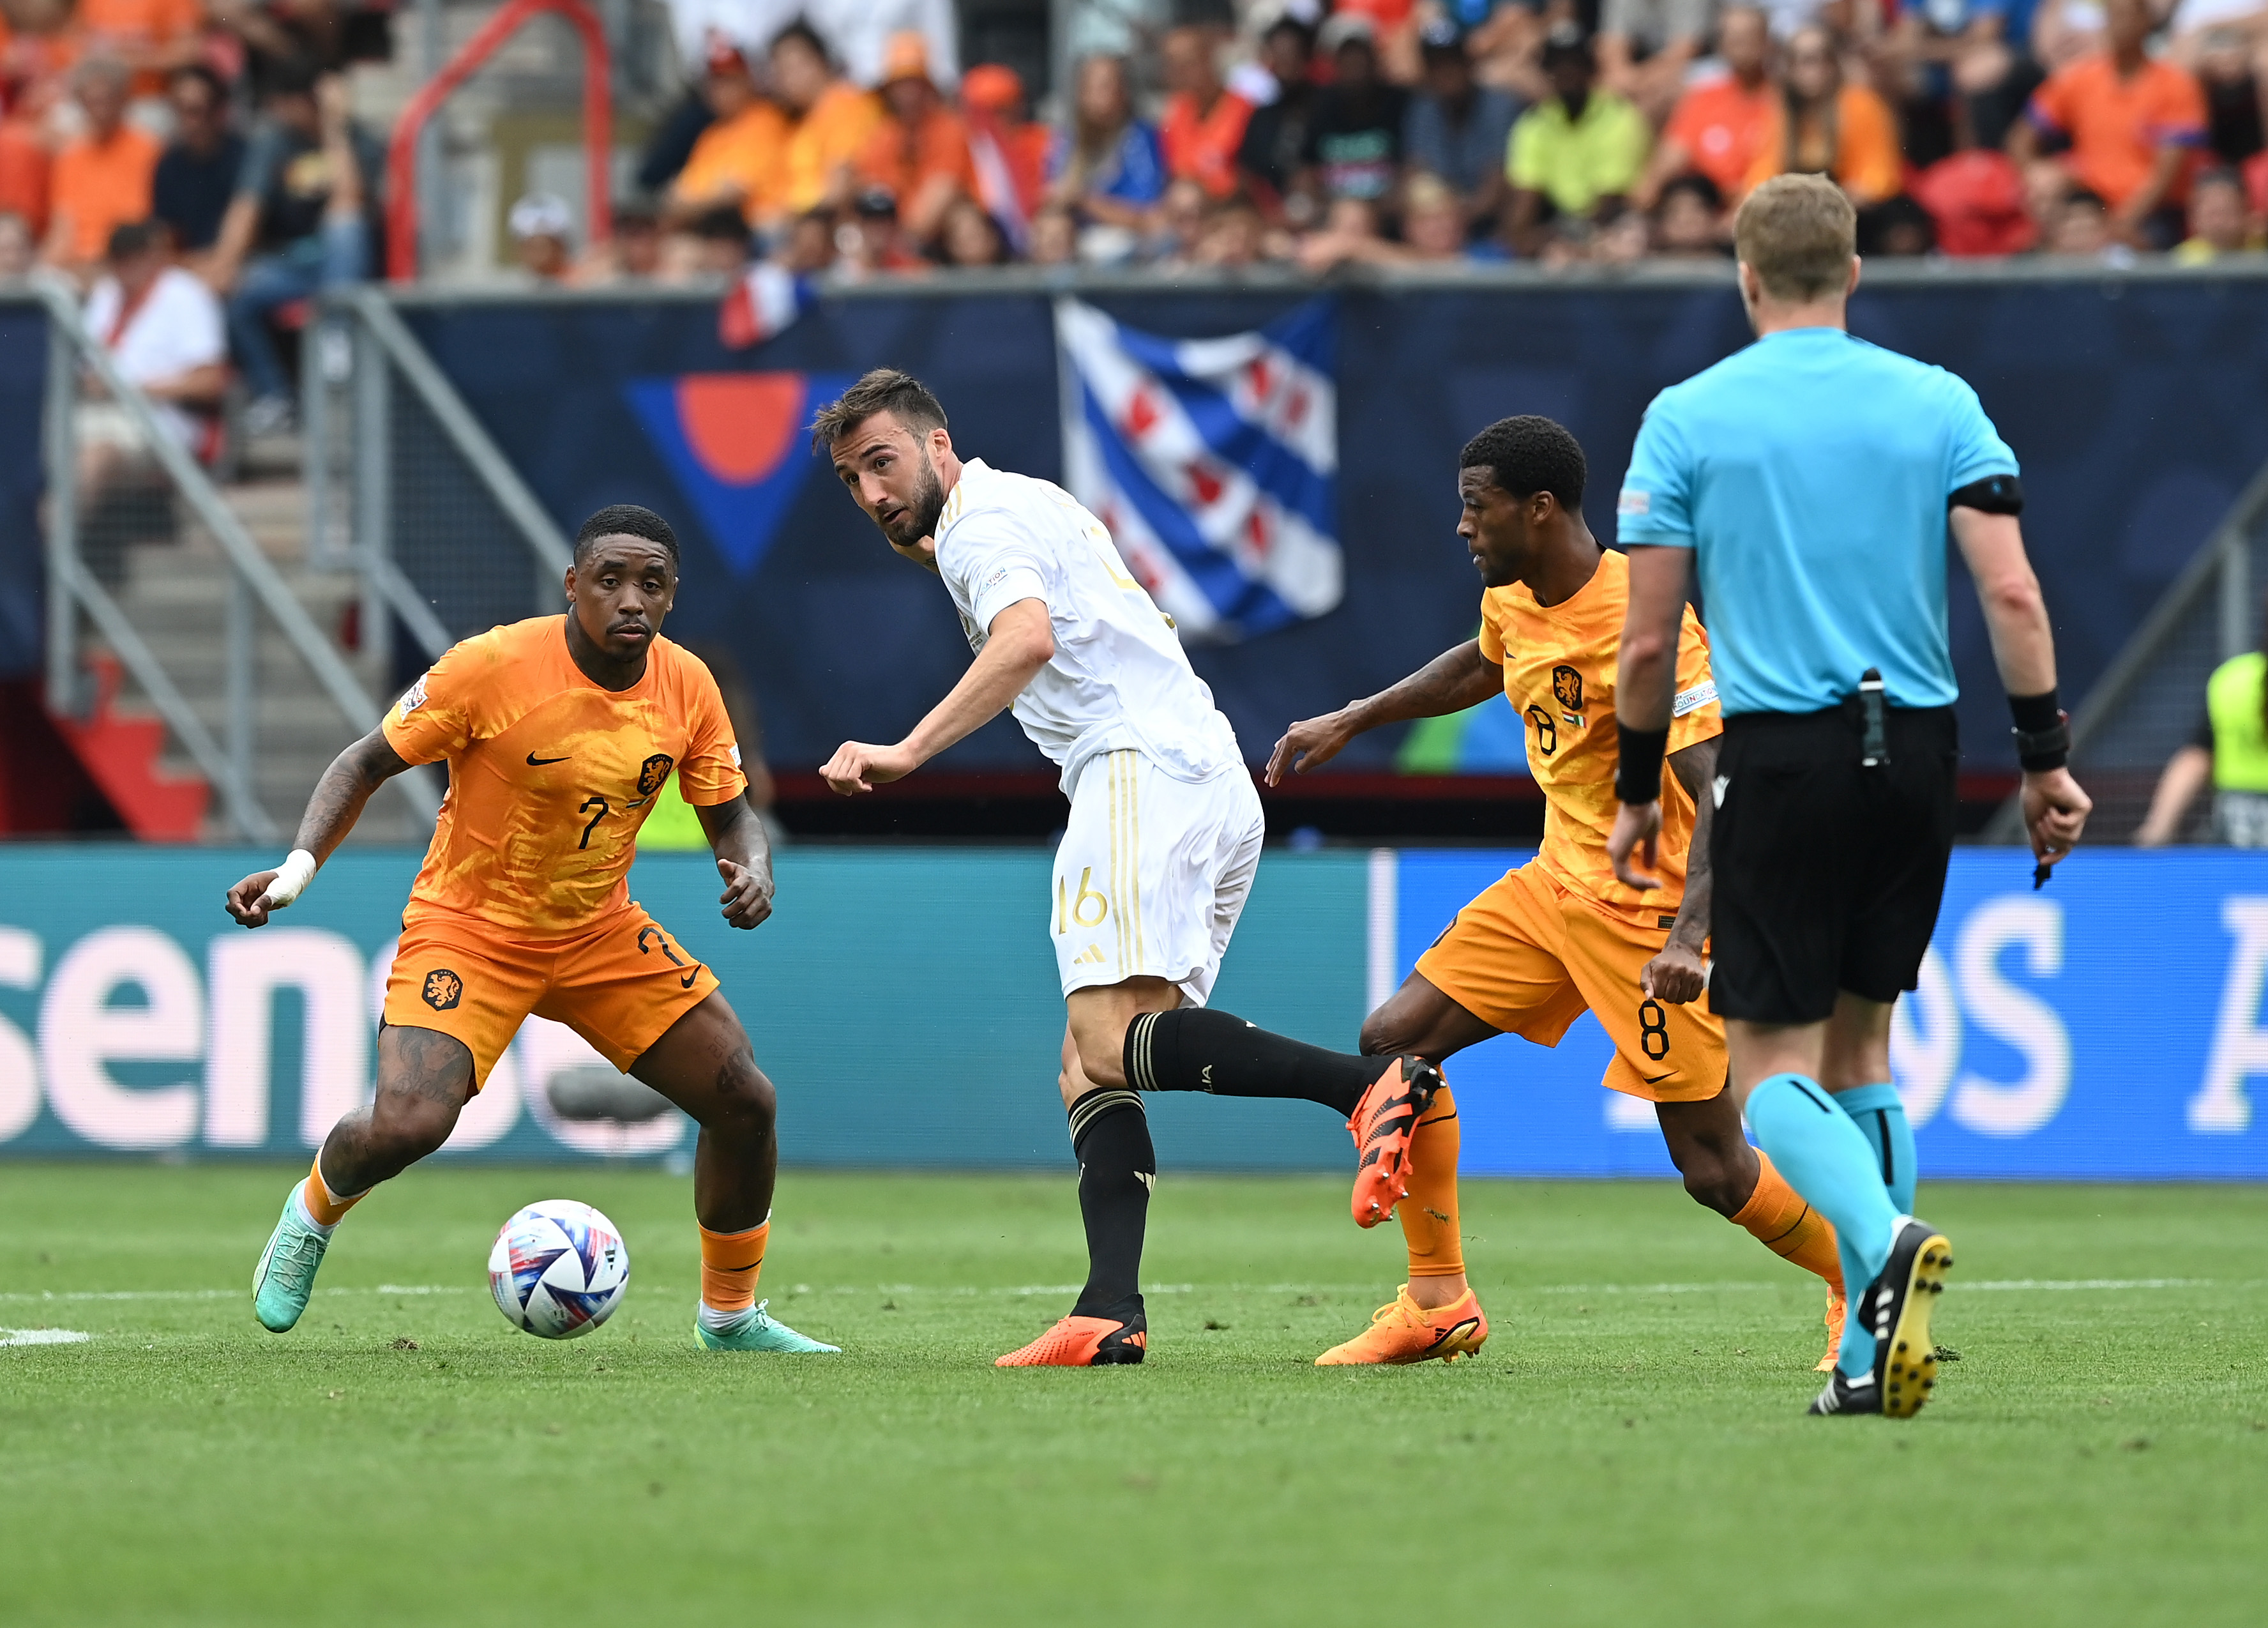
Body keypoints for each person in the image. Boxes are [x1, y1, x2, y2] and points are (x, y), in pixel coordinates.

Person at [813, 370, 1443, 1367]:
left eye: (882, 463)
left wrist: (908, 749)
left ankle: (1362, 1089)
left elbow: (1026, 637)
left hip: (1136, 766)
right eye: (851, 479)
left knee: (1107, 1046)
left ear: (940, 447)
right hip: (1200, 773)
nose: (871, 493)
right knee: (1091, 1058)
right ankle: (1110, 1308)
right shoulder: (1013, 504)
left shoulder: (982, 529)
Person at [1606, 174, 2092, 1417]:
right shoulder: (1939, 402)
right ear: (1856, 273)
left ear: (1747, 277)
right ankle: (1868, 1356)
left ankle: (1879, 1240)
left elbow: (1649, 642)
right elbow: (2016, 594)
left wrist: (1628, 786)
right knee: (1863, 1045)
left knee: (1767, 1062)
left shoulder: (1687, 416)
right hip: (1920, 750)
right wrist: (2044, 759)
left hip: (1783, 750)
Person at [1269, 415, 1849, 1369]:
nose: (1462, 528)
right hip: (1554, 888)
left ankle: (1861, 1271)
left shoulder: (1648, 626)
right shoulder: (1516, 593)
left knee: (1711, 1165)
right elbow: (1485, 662)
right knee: (1393, 1041)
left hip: (1650, 916)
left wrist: (1688, 941)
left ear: (1539, 509)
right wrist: (1358, 715)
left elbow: (1723, 792)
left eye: (1475, 508)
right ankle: (1437, 1300)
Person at [227, 503, 837, 1358]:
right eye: (612, 580)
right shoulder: (494, 666)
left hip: (596, 928)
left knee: (745, 1100)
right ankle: (313, 1211)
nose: (632, 599)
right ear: (573, 586)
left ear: (671, 597)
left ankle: (729, 1318)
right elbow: (364, 761)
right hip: (469, 927)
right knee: (408, 1124)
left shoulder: (688, 685)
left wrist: (753, 866)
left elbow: (731, 814)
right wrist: (297, 869)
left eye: (652, 584)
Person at [206, 58, 378, 434]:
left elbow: (350, 195)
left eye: (284, 102)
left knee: (345, 223)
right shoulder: (274, 141)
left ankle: (338, 333)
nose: (276, 111)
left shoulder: (358, 139)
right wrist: (224, 264)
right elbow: (248, 205)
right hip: (296, 263)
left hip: (348, 263)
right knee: (239, 297)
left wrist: (335, 126)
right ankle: (275, 396)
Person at [2011, 0, 2209, 248]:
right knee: (2045, 187)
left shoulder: (2174, 84)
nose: (2118, 25)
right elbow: (2022, 138)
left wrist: (2120, 223)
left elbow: (2166, 175)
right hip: (2089, 204)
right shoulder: (2082, 77)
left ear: (2145, 22)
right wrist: (2038, 174)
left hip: (2151, 212)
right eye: (2112, 17)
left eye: (2126, 17)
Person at [78, 217, 227, 499]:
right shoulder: (106, 293)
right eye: (118, 259)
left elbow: (210, 381)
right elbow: (86, 365)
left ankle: (52, 538)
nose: (125, 268)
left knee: (95, 456)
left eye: (133, 258)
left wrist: (132, 390)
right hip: (98, 412)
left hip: (161, 419)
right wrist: (92, 384)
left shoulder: (185, 294)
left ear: (153, 256)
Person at [1505, 30, 1652, 255]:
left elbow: (1611, 200)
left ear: (1591, 69)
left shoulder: (1620, 118)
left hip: (1612, 223)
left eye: (1575, 64)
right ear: (1548, 73)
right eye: (1558, 66)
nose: (1567, 72)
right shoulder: (1533, 124)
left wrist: (1568, 240)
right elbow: (1525, 201)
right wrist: (1522, 237)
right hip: (1557, 224)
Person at [2136, 602, 2268, 846]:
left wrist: (2156, 830)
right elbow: (2197, 757)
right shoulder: (2233, 681)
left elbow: (2196, 757)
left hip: (2234, 842)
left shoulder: (2232, 679)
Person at [1743, 22, 1904, 204]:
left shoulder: (1862, 105)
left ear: (1834, 64)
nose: (1815, 69)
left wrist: (1843, 200)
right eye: (1805, 61)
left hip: (1854, 205)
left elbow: (1879, 174)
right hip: (1796, 205)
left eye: (1823, 59)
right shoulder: (1779, 109)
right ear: (1790, 69)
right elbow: (1763, 171)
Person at [1636, 4, 1774, 211]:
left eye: (1749, 37)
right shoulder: (1703, 98)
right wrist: (1643, 198)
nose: (1741, 45)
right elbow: (1670, 158)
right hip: (1705, 212)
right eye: (1733, 38)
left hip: (1761, 211)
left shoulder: (1783, 101)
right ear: (1722, 45)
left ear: (1766, 42)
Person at [42, 56, 161, 280]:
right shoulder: (70, 157)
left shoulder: (148, 150)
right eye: (92, 101)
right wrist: (47, 267)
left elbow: (148, 221)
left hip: (127, 258)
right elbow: (63, 226)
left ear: (123, 100)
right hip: (79, 264)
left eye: (108, 100)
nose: (101, 109)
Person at [854, 30, 973, 246]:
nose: (908, 93)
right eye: (900, 84)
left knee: (963, 221)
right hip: (894, 240)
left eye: (914, 84)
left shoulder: (949, 128)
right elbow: (871, 193)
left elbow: (941, 193)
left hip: (937, 241)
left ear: (927, 87)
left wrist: (902, 247)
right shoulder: (884, 134)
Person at [1403, 19, 1519, 226]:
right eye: (1437, 65)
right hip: (1437, 224)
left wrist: (1454, 221)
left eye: (1453, 61)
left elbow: (1498, 184)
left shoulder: (1500, 106)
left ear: (1468, 63)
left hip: (1488, 225)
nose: (1446, 71)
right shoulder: (1424, 109)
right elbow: (1416, 173)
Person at [766, 20, 881, 226]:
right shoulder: (798, 123)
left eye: (794, 67)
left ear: (821, 60)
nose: (788, 80)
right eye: (781, 72)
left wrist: (787, 218)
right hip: (797, 226)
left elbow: (841, 189)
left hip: (836, 227)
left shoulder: (846, 104)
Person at [665, 40, 787, 226]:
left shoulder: (766, 120)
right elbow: (676, 197)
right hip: (718, 232)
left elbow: (733, 194)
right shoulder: (711, 135)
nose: (721, 91)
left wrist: (693, 203)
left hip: (757, 231)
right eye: (715, 82)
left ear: (748, 80)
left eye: (730, 80)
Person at [1297, 13, 1410, 211]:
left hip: (1389, 212)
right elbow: (1305, 168)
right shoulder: (1318, 104)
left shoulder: (1399, 102)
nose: (1355, 67)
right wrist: (1325, 207)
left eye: (1361, 57)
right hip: (1335, 212)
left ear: (1374, 59)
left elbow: (1413, 163)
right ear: (1335, 64)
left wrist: (1389, 206)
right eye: (1346, 59)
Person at [1048, 54, 1166, 240]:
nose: (1110, 92)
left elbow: (1146, 216)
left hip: (1127, 242)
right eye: (1099, 86)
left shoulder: (1139, 138)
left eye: (1115, 85)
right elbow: (1052, 196)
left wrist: (1083, 200)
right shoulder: (1068, 141)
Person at [151, 65, 245, 270]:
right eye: (180, 110)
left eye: (197, 111)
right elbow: (166, 237)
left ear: (219, 110)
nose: (189, 122)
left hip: (241, 265)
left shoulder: (245, 157)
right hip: (193, 267)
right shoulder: (169, 166)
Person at [1235, 12, 1319, 217]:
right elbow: (1248, 172)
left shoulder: (1328, 106)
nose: (1286, 62)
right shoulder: (1261, 116)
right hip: (1271, 214)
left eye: (1292, 53)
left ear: (1306, 56)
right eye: (1279, 54)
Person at [1158, 22, 1252, 201]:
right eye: (1172, 65)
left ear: (1209, 58)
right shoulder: (1176, 112)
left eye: (1188, 63)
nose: (1180, 73)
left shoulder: (1244, 110)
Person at [1598, 0, 1718, 125]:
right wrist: (1624, 79)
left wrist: (1637, 84)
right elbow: (1611, 46)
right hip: (1641, 72)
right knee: (1603, 91)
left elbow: (1685, 52)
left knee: (1661, 98)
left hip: (1698, 67)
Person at [2174, 163, 2259, 256]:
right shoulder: (2182, 262)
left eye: (2227, 214)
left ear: (2246, 213)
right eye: (2212, 214)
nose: (2219, 223)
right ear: (2193, 217)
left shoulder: (2260, 254)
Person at [508, 190, 573, 281]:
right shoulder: (506, 288)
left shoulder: (584, 287)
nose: (540, 256)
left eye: (545, 247)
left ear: (561, 247)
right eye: (531, 247)